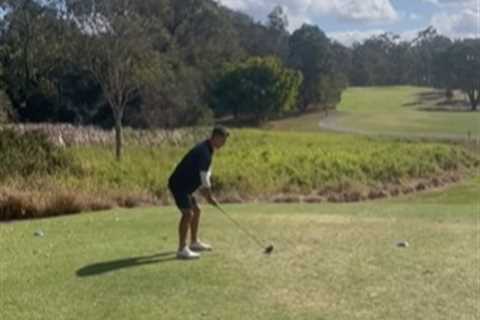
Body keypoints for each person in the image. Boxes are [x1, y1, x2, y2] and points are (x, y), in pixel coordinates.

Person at [168, 126, 229, 259]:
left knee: (197, 210)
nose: (224, 144)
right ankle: (182, 249)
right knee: (188, 213)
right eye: (223, 141)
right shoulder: (204, 152)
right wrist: (209, 196)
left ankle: (194, 242)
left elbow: (203, 178)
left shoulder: (207, 149)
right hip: (179, 185)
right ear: (216, 137)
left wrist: (208, 196)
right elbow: (204, 178)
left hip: (186, 186)